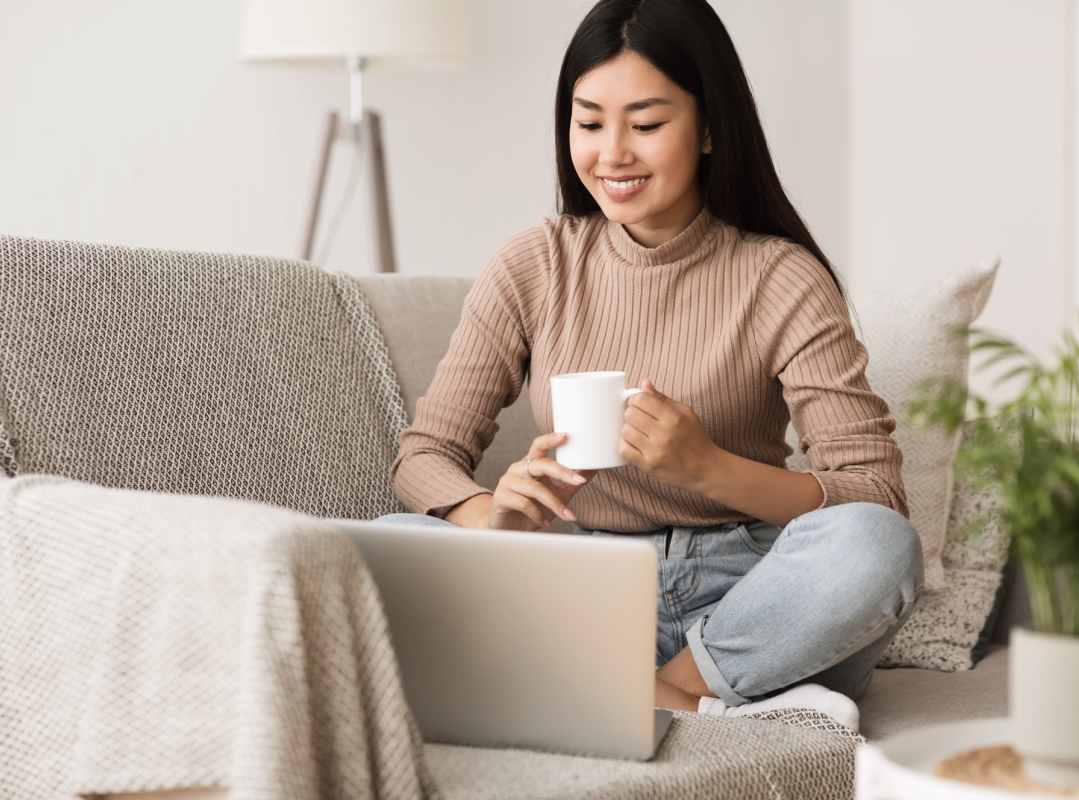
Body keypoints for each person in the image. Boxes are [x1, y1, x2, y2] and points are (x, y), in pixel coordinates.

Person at [380, 0, 922, 732]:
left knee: (876, 547)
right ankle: (722, 704)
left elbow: (875, 495)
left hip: (758, 598)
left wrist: (709, 470)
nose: (612, 154)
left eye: (646, 123)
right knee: (382, 545)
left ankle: (669, 688)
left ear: (706, 127)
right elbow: (425, 456)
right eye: (590, 121)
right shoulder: (534, 265)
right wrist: (494, 519)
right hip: (592, 586)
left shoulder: (781, 278)